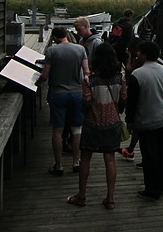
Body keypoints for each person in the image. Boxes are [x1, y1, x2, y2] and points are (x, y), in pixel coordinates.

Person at [67, 42, 127, 209]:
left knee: (85, 158)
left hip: (93, 123)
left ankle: (82, 196)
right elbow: (123, 101)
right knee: (110, 159)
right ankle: (110, 198)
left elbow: (86, 102)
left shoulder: (89, 80)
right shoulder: (120, 78)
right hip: (112, 123)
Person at [37, 26, 88, 176]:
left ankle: (58, 165)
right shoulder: (80, 49)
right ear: (66, 34)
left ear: (54, 38)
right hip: (77, 93)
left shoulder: (52, 51)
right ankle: (76, 162)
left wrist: (37, 83)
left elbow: (45, 75)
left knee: (58, 130)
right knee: (76, 129)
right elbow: (86, 72)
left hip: (58, 94)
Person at [126, 41, 163, 200]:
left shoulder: (137, 75)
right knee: (161, 152)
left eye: (139, 52)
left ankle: (152, 189)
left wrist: (130, 121)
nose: (137, 55)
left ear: (144, 55)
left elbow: (131, 102)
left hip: (148, 120)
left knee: (149, 155)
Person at [120, 37, 142, 161]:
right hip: (133, 89)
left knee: (138, 125)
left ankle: (131, 149)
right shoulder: (138, 58)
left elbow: (129, 70)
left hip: (136, 92)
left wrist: (128, 57)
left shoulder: (137, 59)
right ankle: (131, 148)